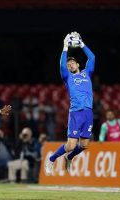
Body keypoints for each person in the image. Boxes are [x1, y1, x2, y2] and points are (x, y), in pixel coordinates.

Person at [45, 31, 95, 175]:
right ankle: (52, 159)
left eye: (72, 62)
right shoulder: (68, 78)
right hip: (76, 113)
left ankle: (69, 158)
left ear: (78, 64)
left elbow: (92, 57)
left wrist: (82, 45)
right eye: (68, 64)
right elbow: (61, 66)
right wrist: (65, 47)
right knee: (71, 145)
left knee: (84, 145)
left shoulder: (87, 73)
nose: (70, 64)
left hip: (88, 112)